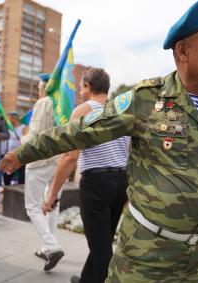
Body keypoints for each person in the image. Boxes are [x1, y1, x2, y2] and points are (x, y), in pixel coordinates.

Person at [0, 0, 198, 281]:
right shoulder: (146, 99)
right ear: (183, 51)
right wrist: (24, 152)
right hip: (147, 255)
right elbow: (79, 131)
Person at [42, 68, 130, 283]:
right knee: (103, 240)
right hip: (120, 181)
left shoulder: (83, 111)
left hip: (97, 183)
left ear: (88, 87)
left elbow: (70, 156)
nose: (80, 91)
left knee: (100, 247)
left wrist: (52, 194)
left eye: (81, 87)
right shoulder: (121, 112)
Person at [20, 73, 63, 271]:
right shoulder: (62, 102)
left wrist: (22, 141)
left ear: (44, 87)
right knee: (52, 204)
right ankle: (49, 246)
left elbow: (35, 135)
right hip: (58, 161)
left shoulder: (43, 103)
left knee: (33, 206)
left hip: (39, 161)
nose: (39, 90)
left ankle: (51, 245)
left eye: (39, 87)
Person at [1, 111, 27, 185]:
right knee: (7, 175)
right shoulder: (8, 128)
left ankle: (20, 191)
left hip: (20, 155)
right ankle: (7, 190)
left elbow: (26, 139)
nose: (9, 120)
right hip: (9, 154)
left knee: (21, 175)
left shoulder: (23, 127)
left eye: (10, 118)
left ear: (15, 118)